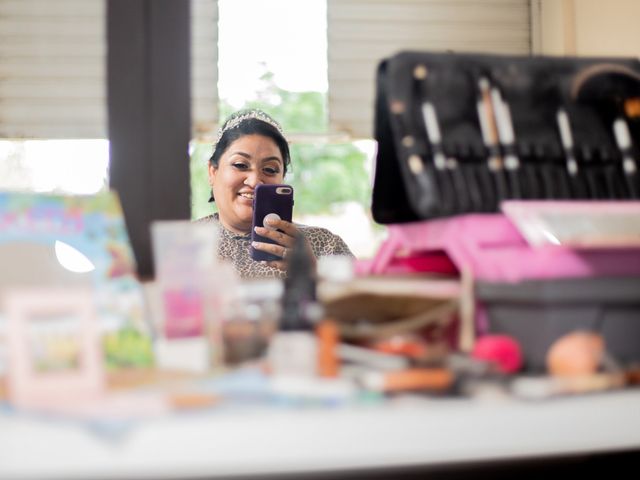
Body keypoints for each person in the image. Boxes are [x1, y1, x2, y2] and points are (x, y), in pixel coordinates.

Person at [197, 109, 354, 279]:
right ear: (212, 172)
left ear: (282, 178)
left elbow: (366, 302)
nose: (255, 181)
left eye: (270, 169)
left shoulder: (326, 246)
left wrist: (313, 274)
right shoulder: (184, 245)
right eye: (240, 165)